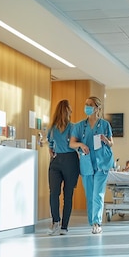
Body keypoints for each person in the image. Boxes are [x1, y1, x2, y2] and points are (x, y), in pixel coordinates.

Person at [70, 96, 114, 234]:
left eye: (90, 104)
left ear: (97, 108)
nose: (87, 107)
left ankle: (96, 223)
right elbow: (72, 143)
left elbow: (111, 143)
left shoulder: (105, 125)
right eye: (86, 104)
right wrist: (81, 144)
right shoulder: (79, 126)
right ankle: (92, 222)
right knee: (90, 195)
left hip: (102, 163)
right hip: (87, 163)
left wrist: (105, 139)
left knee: (97, 194)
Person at [47, 100, 80, 236]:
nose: (71, 112)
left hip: (70, 160)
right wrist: (52, 152)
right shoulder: (52, 129)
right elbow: (50, 145)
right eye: (69, 109)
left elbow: (75, 143)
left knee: (68, 194)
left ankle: (64, 226)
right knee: (54, 192)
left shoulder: (73, 127)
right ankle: (56, 221)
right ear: (64, 111)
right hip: (56, 161)